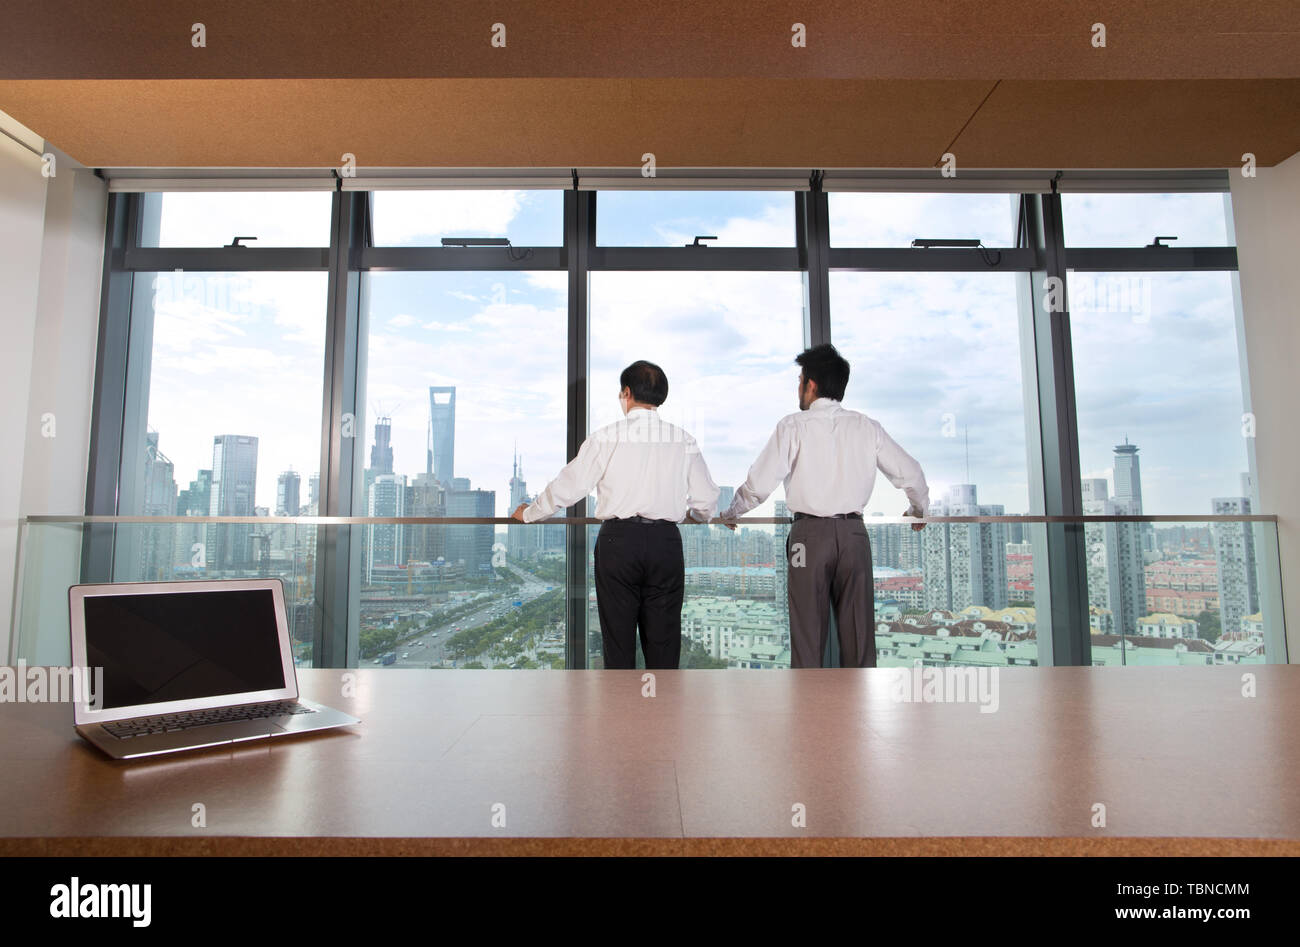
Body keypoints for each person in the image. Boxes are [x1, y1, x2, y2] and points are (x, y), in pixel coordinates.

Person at [721, 344, 929, 668]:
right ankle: (859, 716)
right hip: (854, 536)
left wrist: (732, 512)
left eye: (800, 380)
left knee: (808, 634)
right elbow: (911, 473)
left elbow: (759, 485)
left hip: (808, 538)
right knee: (859, 637)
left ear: (811, 384)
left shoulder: (793, 426)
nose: (798, 388)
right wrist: (918, 509)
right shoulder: (866, 426)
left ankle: (809, 716)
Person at [512, 360, 720, 669]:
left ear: (626, 393)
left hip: (618, 543)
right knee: (664, 638)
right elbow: (706, 502)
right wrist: (694, 514)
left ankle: (621, 714)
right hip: (665, 542)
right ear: (660, 396)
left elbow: (569, 487)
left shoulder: (606, 437)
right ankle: (661, 711)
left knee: (618, 637)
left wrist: (529, 513)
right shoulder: (683, 439)